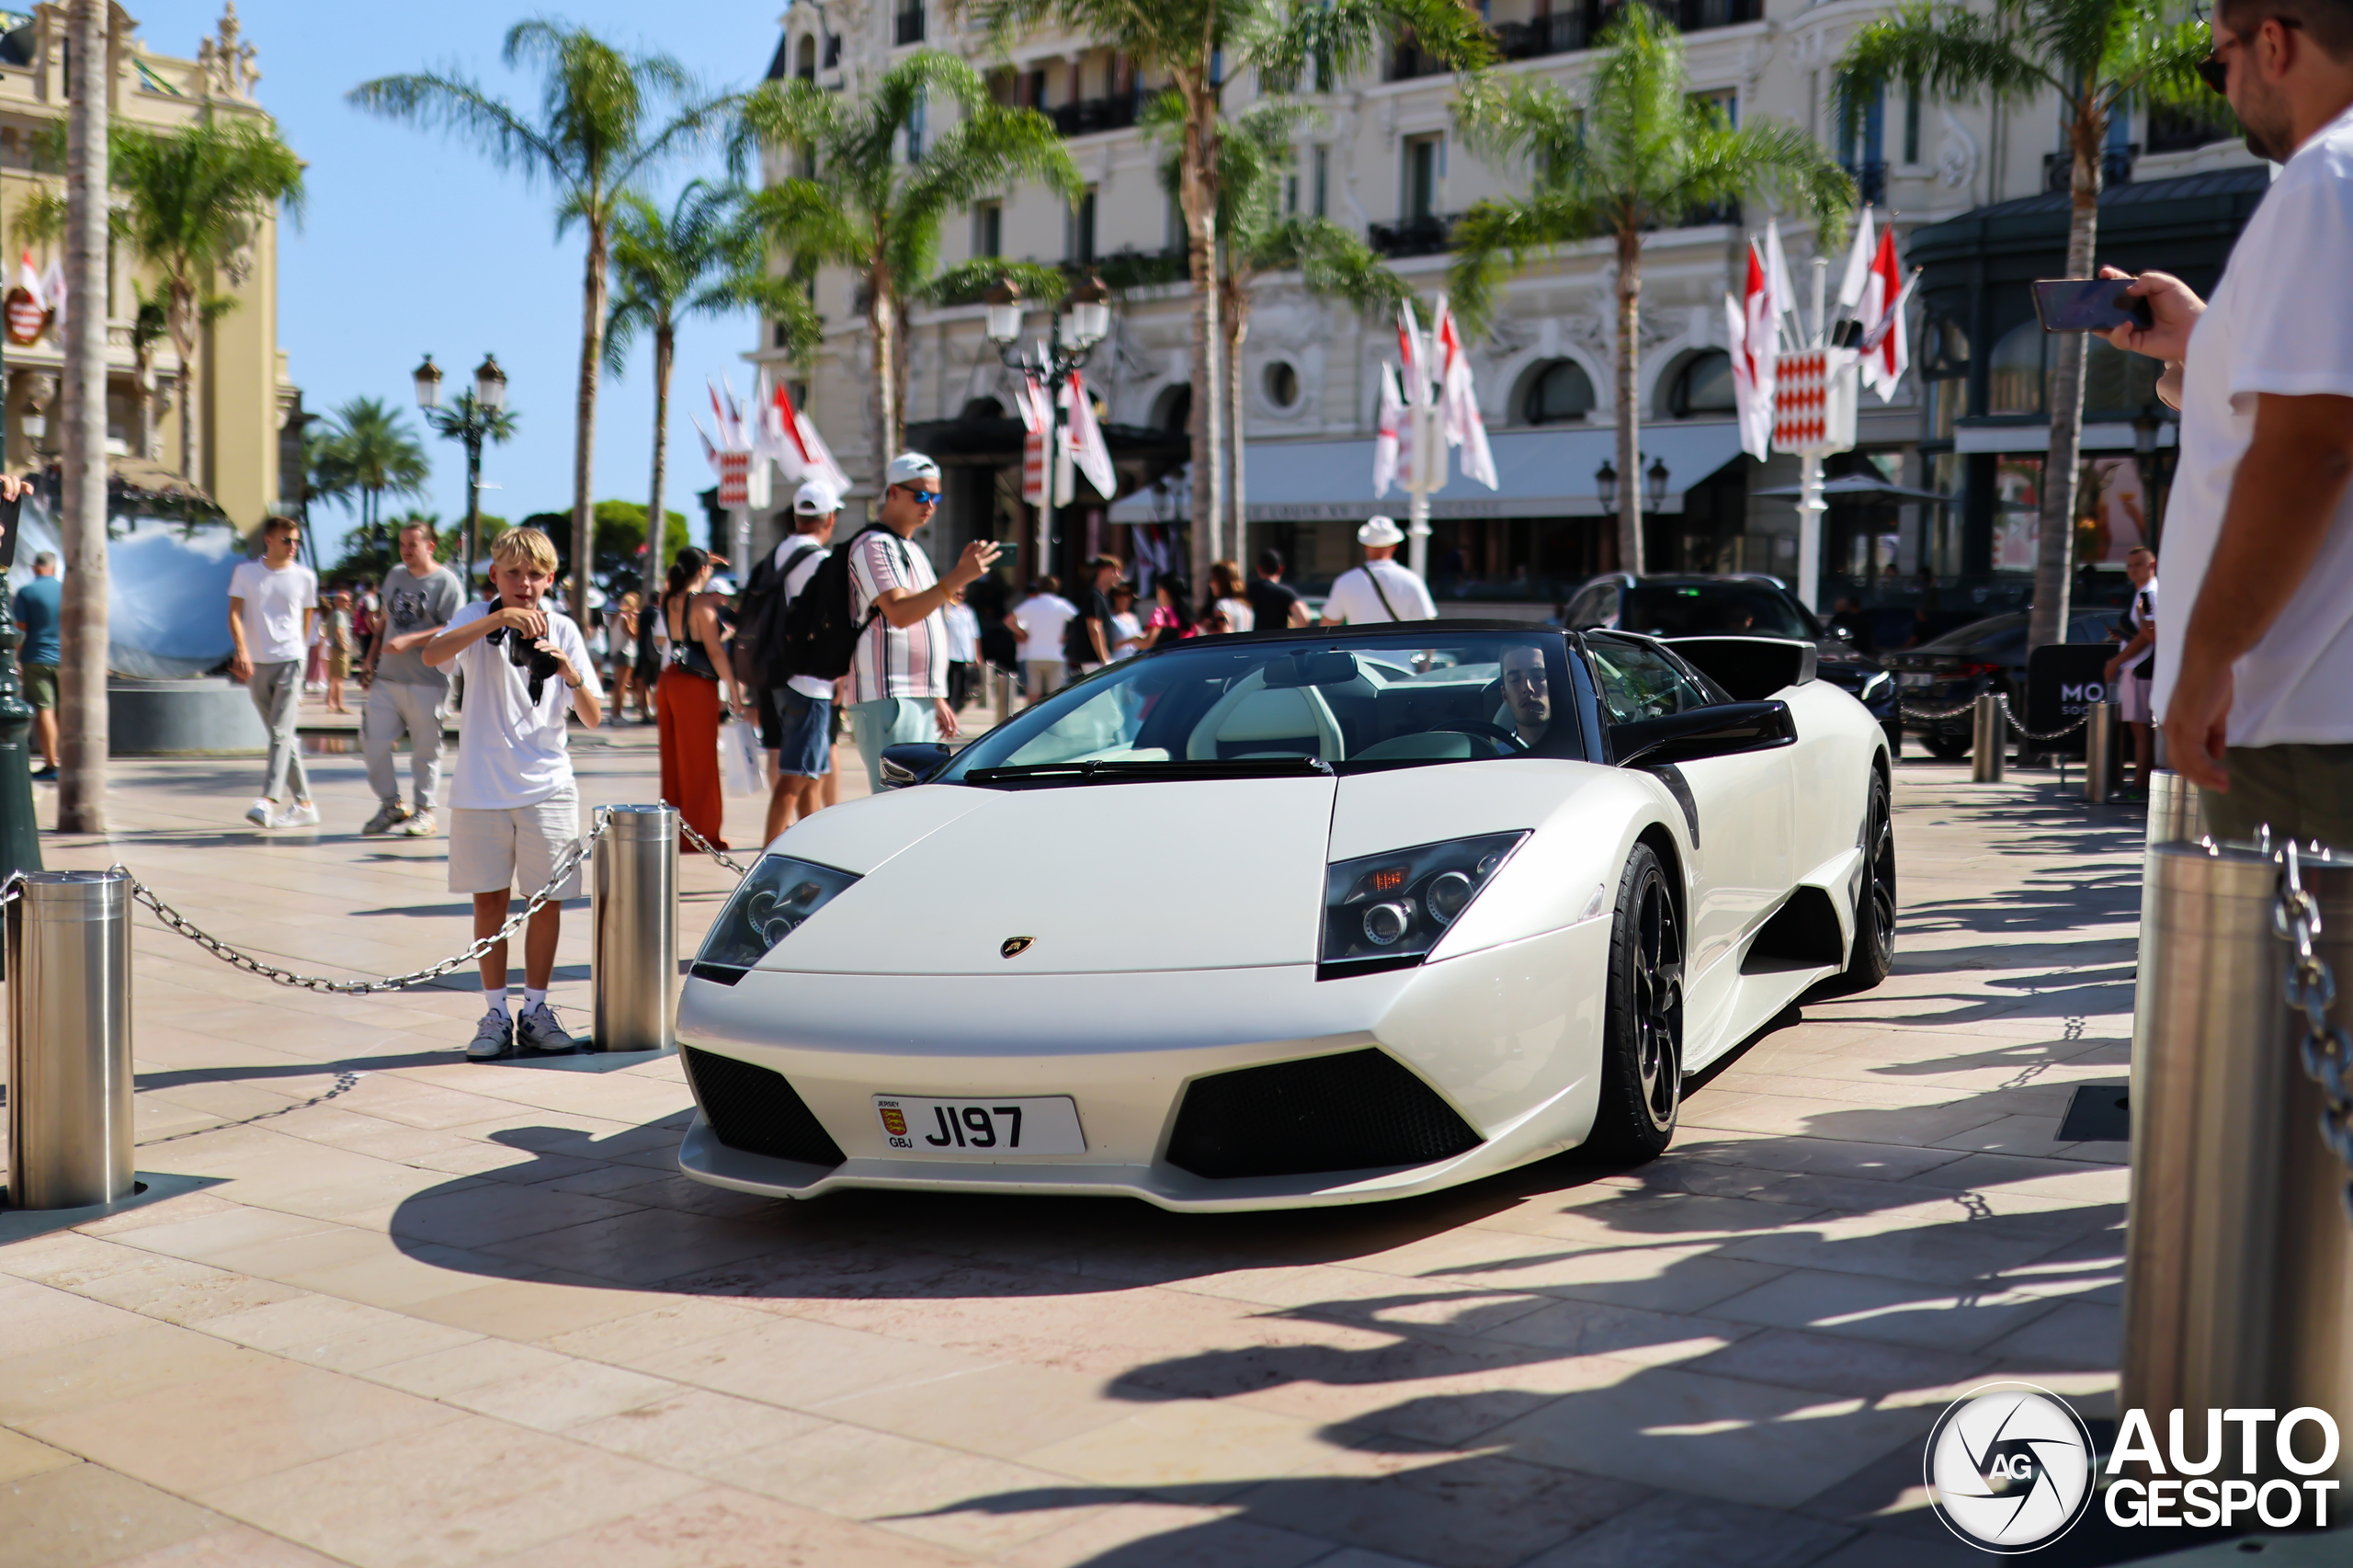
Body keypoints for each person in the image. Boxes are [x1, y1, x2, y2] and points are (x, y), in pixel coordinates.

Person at [2097, 0, 2353, 844]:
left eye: (2218, 64)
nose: (2224, 90)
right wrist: (2207, 343)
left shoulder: (2323, 183)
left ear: (2272, 43)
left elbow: (2306, 452)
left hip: (2300, 714)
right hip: (2315, 708)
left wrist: (2203, 659)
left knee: (2302, 975)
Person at [421, 527, 604, 1059]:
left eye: (534, 575)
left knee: (546, 901)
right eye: (513, 573)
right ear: (494, 575)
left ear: (550, 579)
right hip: (481, 785)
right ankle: (495, 1012)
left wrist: (569, 672)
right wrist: (495, 619)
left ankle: (537, 1008)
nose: (524, 585)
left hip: (548, 785)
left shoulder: (564, 626)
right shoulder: (476, 618)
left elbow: (593, 717)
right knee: (489, 902)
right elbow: (434, 656)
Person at [847, 450, 1000, 791]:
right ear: (893, 493)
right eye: (920, 495)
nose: (929, 504)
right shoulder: (875, 544)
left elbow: (926, 619)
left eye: (936, 496)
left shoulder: (911, 547)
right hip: (889, 693)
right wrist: (958, 576)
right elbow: (900, 614)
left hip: (914, 695)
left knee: (913, 803)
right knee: (895, 804)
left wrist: (936, 695)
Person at [360, 522, 462, 837]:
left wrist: (412, 640)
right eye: (402, 544)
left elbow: (455, 627)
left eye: (413, 544)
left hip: (428, 681)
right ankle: (391, 804)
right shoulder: (395, 575)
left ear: (430, 546)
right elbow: (387, 620)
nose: (406, 550)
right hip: (387, 677)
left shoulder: (447, 583)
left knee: (425, 750)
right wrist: (370, 657)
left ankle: (425, 811)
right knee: (372, 742)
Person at [227, 517, 320, 829]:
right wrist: (241, 651)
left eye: (296, 541)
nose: (292, 546)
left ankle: (267, 800)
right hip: (256, 663)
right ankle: (305, 803)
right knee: (281, 735)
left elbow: (307, 620)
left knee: (280, 732)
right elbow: (235, 615)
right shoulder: (246, 573)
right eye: (286, 540)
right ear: (269, 539)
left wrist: (300, 652)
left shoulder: (306, 577)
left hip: (291, 659)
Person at [656, 546, 746, 852]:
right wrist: (733, 687)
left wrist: (703, 560)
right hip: (695, 684)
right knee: (700, 760)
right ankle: (701, 833)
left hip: (669, 679)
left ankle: (676, 829)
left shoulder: (668, 598)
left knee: (673, 757)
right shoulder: (702, 602)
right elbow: (714, 650)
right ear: (704, 571)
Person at [766, 480, 841, 843]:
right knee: (794, 778)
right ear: (829, 518)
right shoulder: (820, 560)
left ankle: (817, 850)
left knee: (810, 776)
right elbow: (830, 622)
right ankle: (763, 861)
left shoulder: (779, 553)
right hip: (811, 682)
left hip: (781, 674)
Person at [2104, 546, 2160, 794]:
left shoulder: (2150, 594)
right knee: (2137, 726)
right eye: (2129, 565)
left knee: (2141, 727)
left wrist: (2116, 662)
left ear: (2152, 565)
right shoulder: (2142, 593)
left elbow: (2148, 635)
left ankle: (2141, 784)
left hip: (2140, 667)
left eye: (2138, 564)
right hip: (2135, 665)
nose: (2132, 569)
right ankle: (2139, 782)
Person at [1322, 517, 1437, 624]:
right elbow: (1429, 626)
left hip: (1359, 645)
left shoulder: (1345, 581)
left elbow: (1329, 624)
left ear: (1365, 546)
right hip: (1398, 645)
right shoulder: (1412, 579)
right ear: (1394, 546)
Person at [13, 551, 60, 781]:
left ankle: (52, 763)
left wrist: (16, 657)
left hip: (36, 657)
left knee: (44, 709)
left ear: (35, 567)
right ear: (54, 567)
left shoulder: (27, 592)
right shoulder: (67, 590)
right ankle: (67, 760)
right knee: (64, 710)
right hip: (67, 659)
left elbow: (21, 627)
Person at [1008, 574, 1076, 700]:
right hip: (1056, 655)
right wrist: (1068, 636)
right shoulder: (1062, 604)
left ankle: (1032, 720)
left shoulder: (1031, 604)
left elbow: (1009, 620)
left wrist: (1022, 633)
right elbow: (1078, 621)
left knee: (1033, 695)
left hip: (1034, 654)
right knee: (1056, 696)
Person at [1500, 643, 1555, 747]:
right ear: (1505, 695)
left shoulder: (1585, 750)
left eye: (1539, 676)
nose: (1528, 688)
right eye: (1515, 679)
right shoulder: (1493, 759)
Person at [1073, 554, 1120, 671]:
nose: (1117, 575)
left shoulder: (1101, 596)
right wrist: (1105, 660)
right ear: (1101, 571)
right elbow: (1094, 628)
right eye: (1113, 571)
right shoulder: (1094, 596)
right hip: (1095, 662)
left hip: (1098, 661)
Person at [1246, 547, 1309, 632]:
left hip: (1251, 642)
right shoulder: (1286, 593)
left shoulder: (1247, 590)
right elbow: (1304, 617)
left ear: (1259, 568)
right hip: (1277, 642)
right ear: (1281, 569)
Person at [943, 584, 982, 713]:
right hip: (951, 655)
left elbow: (975, 634)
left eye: (962, 594)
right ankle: (951, 714)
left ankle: (956, 712)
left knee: (965, 690)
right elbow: (944, 618)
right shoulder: (946, 610)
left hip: (966, 655)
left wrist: (978, 655)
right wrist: (947, 600)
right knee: (951, 689)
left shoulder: (967, 611)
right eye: (956, 594)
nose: (959, 597)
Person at [1136, 576, 1197, 649]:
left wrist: (1126, 642)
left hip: (1167, 656)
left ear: (1163, 591)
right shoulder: (1186, 613)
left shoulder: (1159, 613)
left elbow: (1147, 644)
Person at [322, 589, 355, 714]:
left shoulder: (335, 614)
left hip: (335, 648)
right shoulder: (339, 614)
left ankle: (331, 703)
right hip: (339, 649)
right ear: (338, 601)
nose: (349, 603)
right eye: (345, 601)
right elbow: (339, 631)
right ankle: (338, 704)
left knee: (334, 678)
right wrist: (343, 645)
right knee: (339, 678)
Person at [1204, 560, 1255, 633]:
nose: (1210, 583)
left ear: (1221, 582)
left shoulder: (1222, 606)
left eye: (1212, 579)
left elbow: (1224, 635)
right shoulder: (1246, 607)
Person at [1108, 583, 1144, 659]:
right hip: (1117, 663)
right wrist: (1129, 641)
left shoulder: (1134, 617)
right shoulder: (1110, 618)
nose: (1123, 598)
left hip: (1134, 662)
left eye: (1127, 594)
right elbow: (1107, 646)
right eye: (1119, 594)